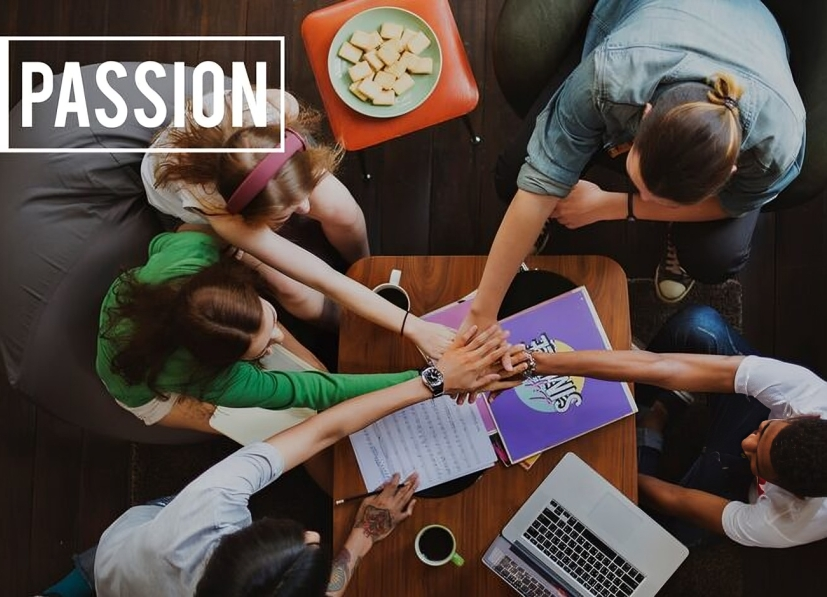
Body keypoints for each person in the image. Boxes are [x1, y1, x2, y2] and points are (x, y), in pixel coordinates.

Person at [41, 324, 523, 597]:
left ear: (235, 538)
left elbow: (322, 428)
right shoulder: (214, 505)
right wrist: (360, 538)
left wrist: (434, 381)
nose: (315, 532)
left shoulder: (207, 504)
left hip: (117, 560)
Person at [472, 0, 805, 335]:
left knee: (716, 258)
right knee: (513, 178)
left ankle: (675, 231)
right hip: (641, 27)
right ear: (645, 116)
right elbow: (539, 183)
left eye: (667, 203)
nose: (643, 194)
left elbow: (732, 203)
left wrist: (614, 205)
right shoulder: (612, 75)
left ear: (728, 174)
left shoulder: (775, 149)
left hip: (751, 39)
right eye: (637, 180)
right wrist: (481, 314)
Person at [143, 87, 454, 359]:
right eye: (286, 212)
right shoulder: (216, 208)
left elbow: (288, 115)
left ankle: (365, 265)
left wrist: (364, 276)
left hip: (260, 157)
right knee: (289, 287)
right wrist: (411, 326)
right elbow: (319, 277)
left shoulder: (276, 110)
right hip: (199, 205)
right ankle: (344, 324)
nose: (306, 208)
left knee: (343, 211)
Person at [515, 305, 827, 548]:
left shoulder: (786, 522)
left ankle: (654, 423)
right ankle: (650, 402)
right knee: (698, 326)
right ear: (802, 417)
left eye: (759, 461)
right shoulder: (809, 395)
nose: (746, 443)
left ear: (793, 495)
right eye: (762, 432)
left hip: (739, 491)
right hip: (765, 411)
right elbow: (664, 366)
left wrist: (602, 470)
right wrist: (537, 363)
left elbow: (677, 500)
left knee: (645, 529)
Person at [98, 228, 428, 431]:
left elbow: (166, 240)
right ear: (226, 363)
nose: (281, 337)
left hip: (195, 327)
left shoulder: (189, 254)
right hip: (141, 387)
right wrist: (423, 378)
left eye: (269, 322)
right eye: (264, 344)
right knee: (295, 421)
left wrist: (238, 249)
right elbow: (318, 392)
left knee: (316, 369)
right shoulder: (215, 381)